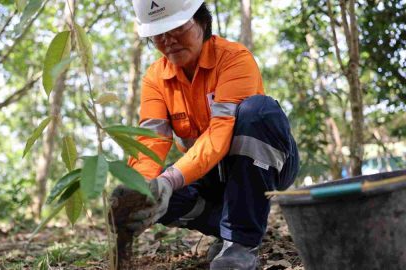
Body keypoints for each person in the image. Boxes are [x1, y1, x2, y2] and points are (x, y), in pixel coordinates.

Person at [122, 0, 300, 269]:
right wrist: (140, 189)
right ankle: (228, 230)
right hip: (209, 174)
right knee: (159, 198)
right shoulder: (155, 78)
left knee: (258, 111)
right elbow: (151, 141)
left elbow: (219, 135)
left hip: (264, 165)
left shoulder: (234, 59)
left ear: (202, 21)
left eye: (177, 28)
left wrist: (170, 180)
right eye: (158, 34)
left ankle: (241, 242)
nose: (168, 40)